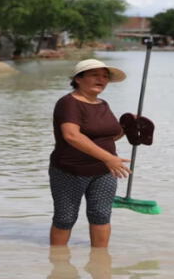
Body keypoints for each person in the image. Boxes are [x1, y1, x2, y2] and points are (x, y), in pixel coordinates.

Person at [49, 59, 131, 248]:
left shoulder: (103, 104)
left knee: (101, 215)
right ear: (78, 79)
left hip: (104, 171)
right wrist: (109, 158)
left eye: (105, 76)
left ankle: (101, 263)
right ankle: (58, 263)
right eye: (95, 75)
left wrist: (128, 128)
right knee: (65, 218)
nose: (101, 79)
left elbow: (107, 136)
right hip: (70, 170)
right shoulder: (68, 103)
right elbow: (71, 136)